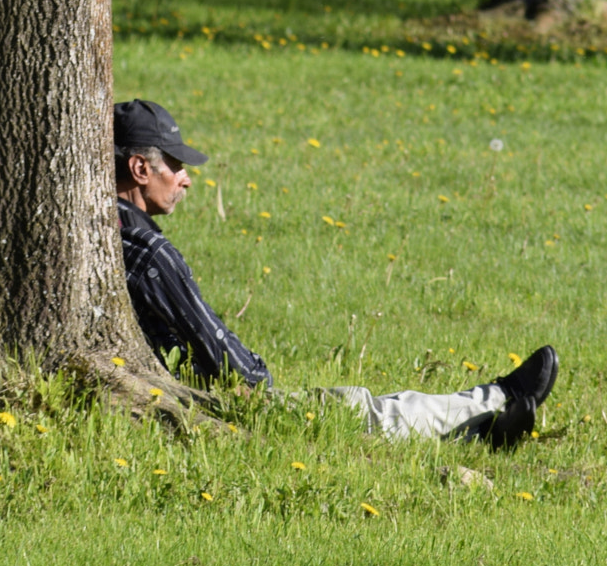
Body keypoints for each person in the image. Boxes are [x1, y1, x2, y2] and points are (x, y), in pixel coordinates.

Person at [114, 97, 558, 448]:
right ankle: (495, 402)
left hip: (161, 393)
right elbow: (225, 355)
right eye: (175, 165)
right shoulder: (148, 251)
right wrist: (258, 386)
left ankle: (486, 421)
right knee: (358, 411)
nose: (186, 178)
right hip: (205, 402)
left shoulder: (106, 229)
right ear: (139, 168)